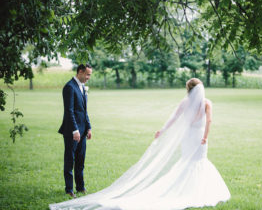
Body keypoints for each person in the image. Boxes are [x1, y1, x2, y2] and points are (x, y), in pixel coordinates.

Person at [50, 78, 230, 210]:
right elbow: (209, 122)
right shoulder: (207, 103)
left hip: (189, 139)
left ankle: (191, 189)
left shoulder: (186, 102)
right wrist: (205, 138)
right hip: (199, 138)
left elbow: (173, 118)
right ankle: (194, 191)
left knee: (188, 164)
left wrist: (162, 130)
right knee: (196, 163)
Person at [58, 63, 92, 198]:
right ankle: (69, 189)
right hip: (72, 131)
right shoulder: (69, 87)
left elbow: (84, 110)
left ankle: (80, 187)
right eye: (88, 74)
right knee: (69, 160)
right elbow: (69, 111)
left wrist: (88, 127)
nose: (89, 77)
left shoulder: (82, 87)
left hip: (83, 131)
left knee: (80, 160)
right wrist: (74, 130)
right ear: (80, 72)